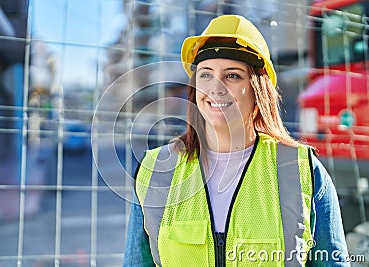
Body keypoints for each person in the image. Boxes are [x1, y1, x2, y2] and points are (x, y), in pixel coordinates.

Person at [123, 15, 350, 267]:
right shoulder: (156, 170)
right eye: (206, 75)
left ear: (257, 89)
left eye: (232, 75)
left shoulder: (301, 169)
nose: (216, 88)